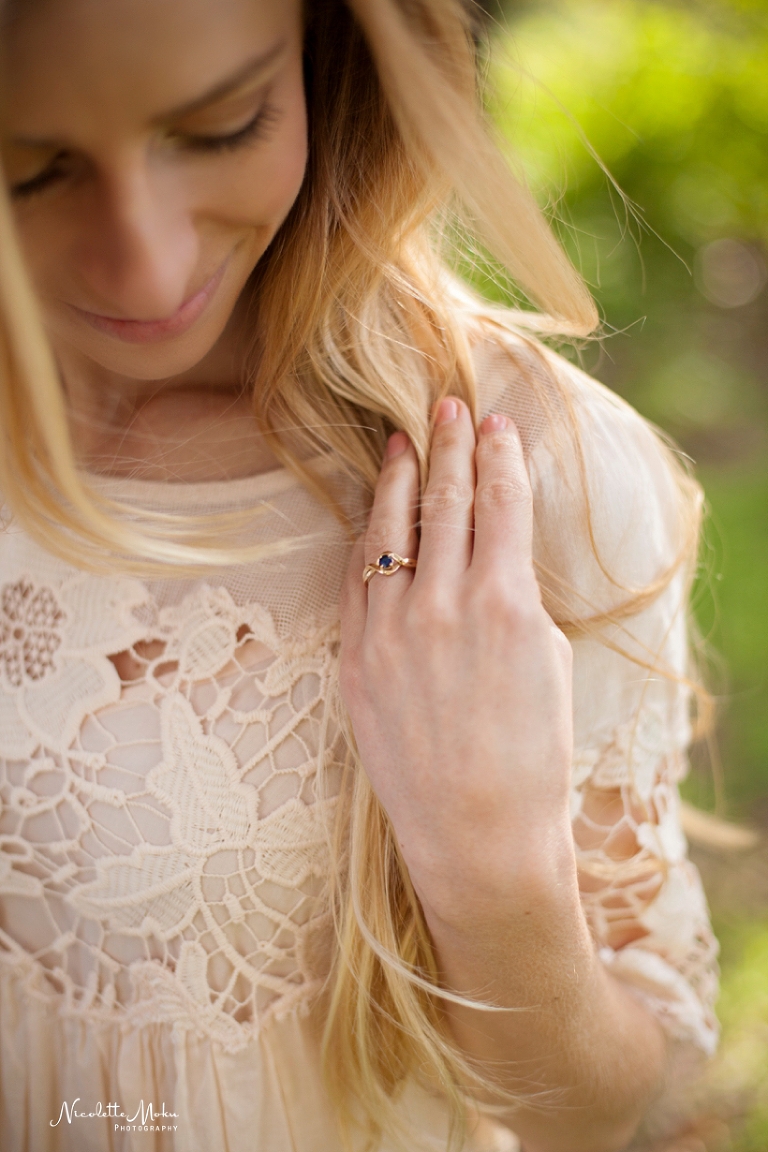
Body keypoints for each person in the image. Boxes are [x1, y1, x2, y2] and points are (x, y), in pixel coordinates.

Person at [0, 0, 719, 1150]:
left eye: (221, 126)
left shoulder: (520, 476)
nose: (146, 263)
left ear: (329, 52)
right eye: (32, 171)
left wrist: (493, 880)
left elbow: (611, 1105)